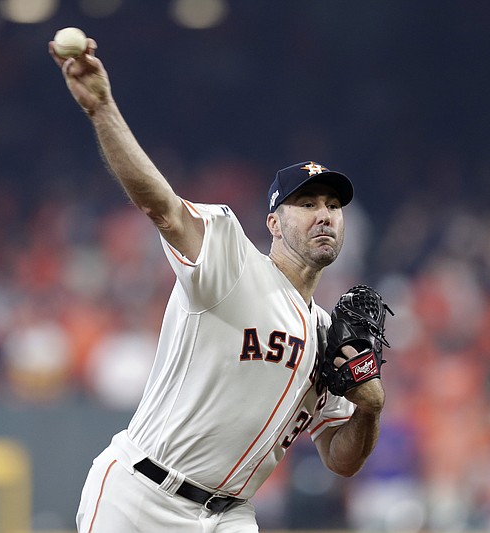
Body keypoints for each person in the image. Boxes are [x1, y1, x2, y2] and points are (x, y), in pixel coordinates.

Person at [50, 35, 386, 533]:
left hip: (229, 516)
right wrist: (103, 109)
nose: (324, 215)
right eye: (308, 203)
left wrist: (369, 408)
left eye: (334, 207)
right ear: (273, 223)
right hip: (141, 495)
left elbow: (341, 459)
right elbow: (160, 205)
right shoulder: (231, 260)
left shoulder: (330, 336)